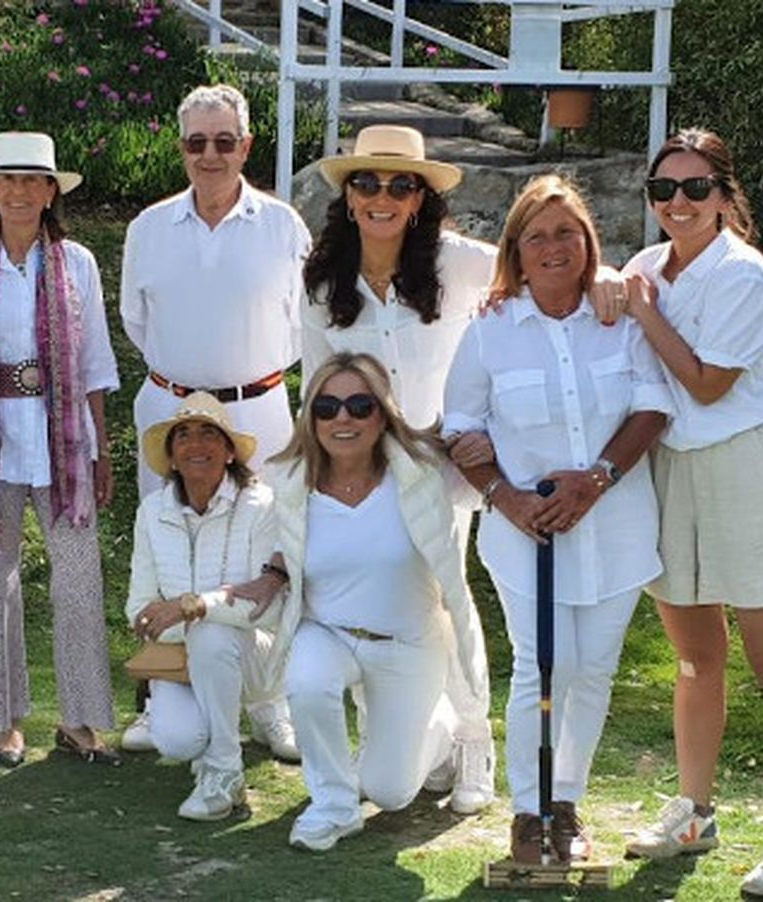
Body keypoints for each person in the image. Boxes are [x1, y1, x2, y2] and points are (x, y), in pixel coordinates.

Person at [606, 129, 763, 899]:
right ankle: (695, 811)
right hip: (668, 470)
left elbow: (704, 385)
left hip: (741, 469)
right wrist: (617, 297)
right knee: (696, 658)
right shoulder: (641, 267)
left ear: (727, 197)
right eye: (663, 190)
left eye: (696, 188)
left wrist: (641, 309)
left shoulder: (742, 273)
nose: (678, 204)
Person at [443, 173, 672, 864]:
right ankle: (525, 811)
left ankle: (566, 803)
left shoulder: (618, 318)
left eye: (566, 233)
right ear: (514, 250)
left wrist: (598, 478)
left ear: (588, 242)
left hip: (617, 526)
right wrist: (504, 496)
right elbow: (460, 424)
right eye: (535, 236)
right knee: (545, 666)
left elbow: (653, 406)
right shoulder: (487, 330)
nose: (552, 247)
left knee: (594, 669)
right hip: (526, 533)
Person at [301, 125, 498, 813]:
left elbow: (551, 265)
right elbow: (316, 386)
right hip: (362, 470)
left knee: (447, 600)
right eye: (367, 183)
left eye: (400, 184)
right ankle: (411, 738)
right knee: (364, 600)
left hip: (440, 469)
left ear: (420, 199)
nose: (382, 197)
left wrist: (615, 289)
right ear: (348, 196)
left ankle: (474, 747)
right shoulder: (324, 282)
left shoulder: (462, 263)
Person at [118, 83, 304, 757]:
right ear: (181, 148)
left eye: (225, 141)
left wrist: (236, 384)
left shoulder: (283, 226)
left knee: (271, 552)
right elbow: (136, 321)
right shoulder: (148, 228)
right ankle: (159, 691)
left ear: (246, 146)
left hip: (259, 406)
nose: (211, 154)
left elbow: (302, 325)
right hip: (170, 404)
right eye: (197, 142)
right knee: (165, 547)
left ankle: (269, 697)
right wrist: (190, 386)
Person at [0, 132, 121, 766]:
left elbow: (94, 363)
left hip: (62, 440)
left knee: (77, 580)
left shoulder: (78, 265)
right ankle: (5, 720)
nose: (16, 191)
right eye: (4, 180)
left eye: (30, 181)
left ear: (49, 192)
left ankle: (81, 718)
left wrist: (101, 450)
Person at [252, 353, 485, 852]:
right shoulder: (291, 483)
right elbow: (283, 545)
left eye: (360, 405)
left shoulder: (424, 474)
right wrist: (270, 575)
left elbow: (491, 469)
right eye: (328, 407)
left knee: (389, 790)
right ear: (310, 418)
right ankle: (333, 807)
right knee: (307, 681)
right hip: (329, 632)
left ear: (383, 414)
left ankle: (444, 732)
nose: (343, 419)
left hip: (407, 641)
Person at [126, 393, 282, 818]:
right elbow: (139, 610)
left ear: (229, 452)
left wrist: (192, 607)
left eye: (210, 434)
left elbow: (267, 609)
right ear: (172, 457)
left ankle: (224, 771)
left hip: (259, 657)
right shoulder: (152, 511)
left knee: (213, 634)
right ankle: (216, 738)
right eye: (184, 437)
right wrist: (182, 620)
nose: (197, 445)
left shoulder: (262, 504)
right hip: (183, 658)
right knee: (178, 741)